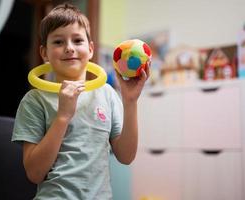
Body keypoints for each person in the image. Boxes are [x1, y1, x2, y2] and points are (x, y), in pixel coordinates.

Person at [12, 3, 149, 200]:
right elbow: (34, 173)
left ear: (91, 49)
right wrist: (62, 117)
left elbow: (126, 156)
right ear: (44, 53)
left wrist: (130, 101)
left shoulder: (107, 94)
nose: (69, 48)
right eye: (58, 42)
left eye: (77, 40)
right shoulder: (34, 100)